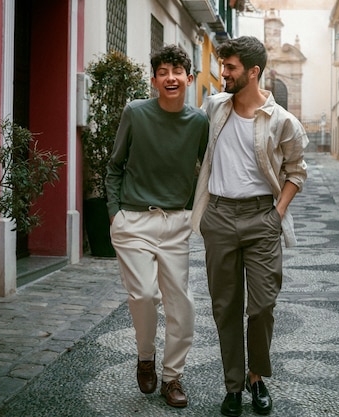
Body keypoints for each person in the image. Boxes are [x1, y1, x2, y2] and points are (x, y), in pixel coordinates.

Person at [191, 36, 308, 416]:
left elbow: (296, 171)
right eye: (223, 66)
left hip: (261, 218)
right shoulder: (214, 108)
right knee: (225, 307)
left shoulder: (282, 121)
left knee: (261, 306)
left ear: (253, 72)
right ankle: (234, 387)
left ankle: (257, 377)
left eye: (230, 68)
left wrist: (277, 215)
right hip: (220, 216)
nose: (222, 73)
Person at [105, 45, 209, 408]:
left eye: (177, 71)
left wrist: (197, 212)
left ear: (189, 79)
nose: (170, 77)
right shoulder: (135, 112)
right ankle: (145, 356)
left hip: (176, 223)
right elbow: (115, 164)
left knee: (182, 305)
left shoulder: (198, 122)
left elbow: (208, 170)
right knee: (145, 295)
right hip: (133, 220)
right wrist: (114, 212)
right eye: (163, 71)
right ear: (153, 80)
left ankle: (172, 377)